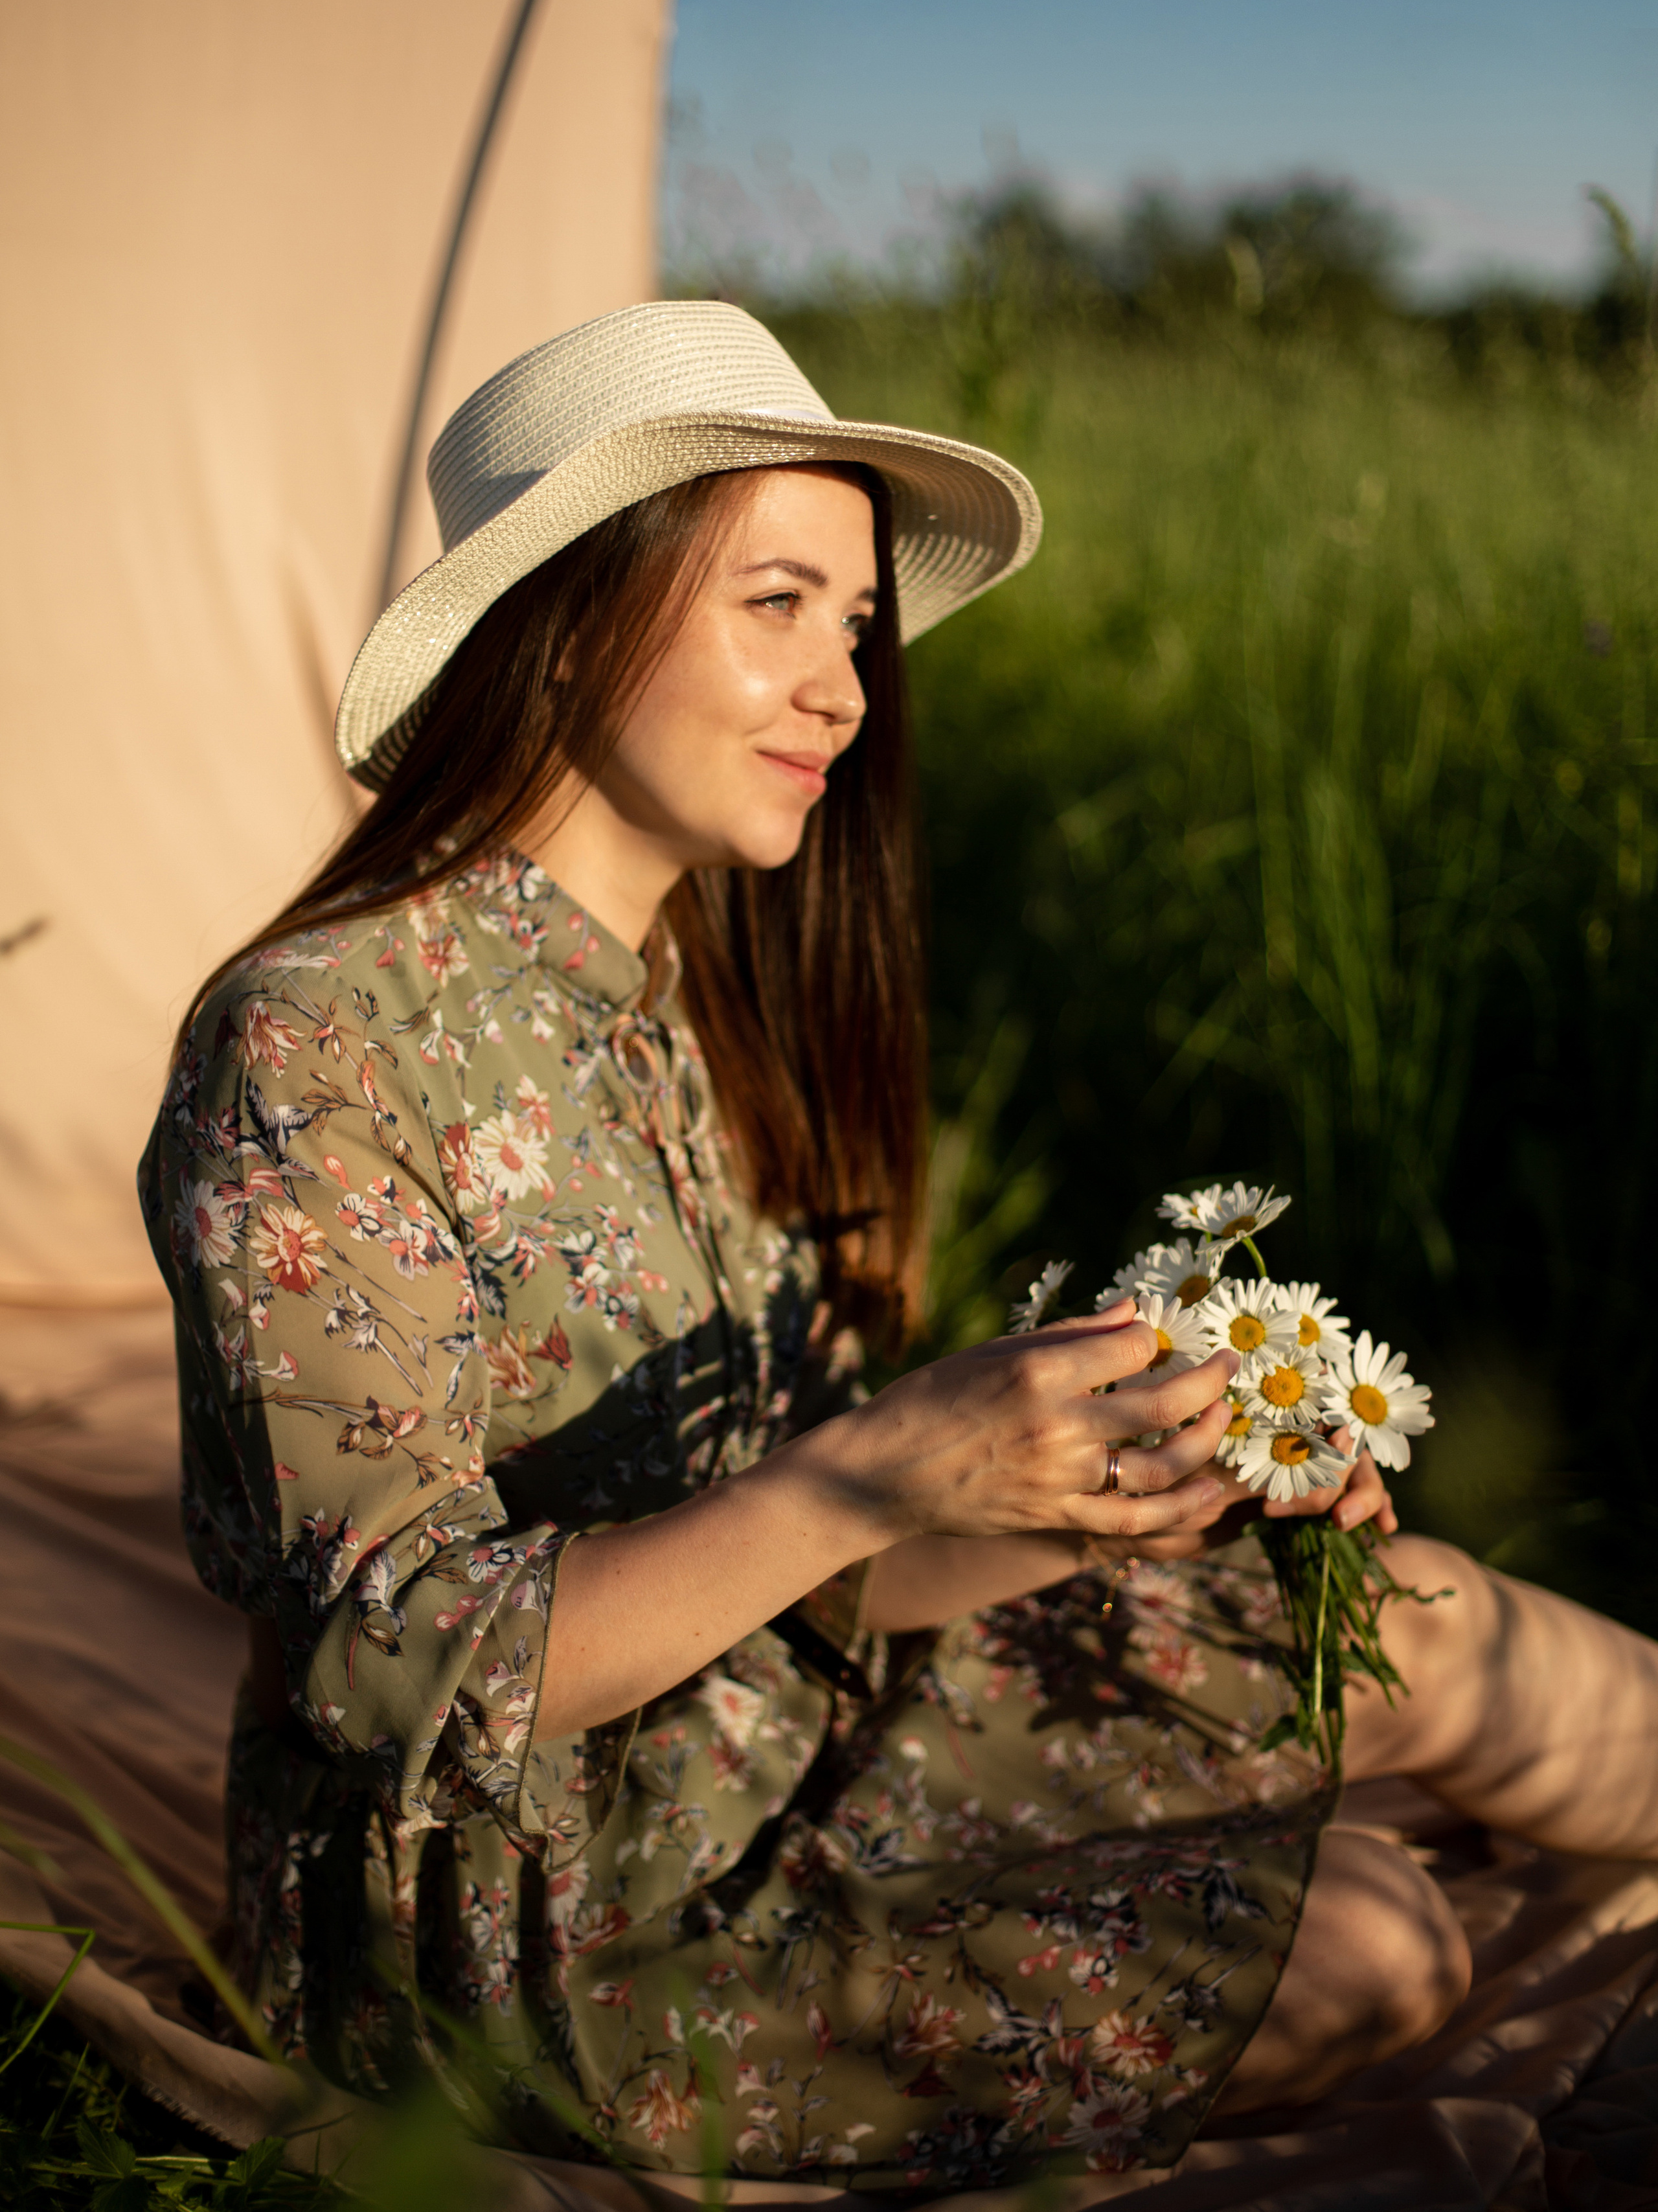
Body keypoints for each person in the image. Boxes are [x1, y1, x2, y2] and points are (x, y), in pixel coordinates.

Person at [141, 302, 1658, 2191]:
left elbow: (827, 1573)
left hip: (786, 1739)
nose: (849, 689)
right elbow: (390, 1662)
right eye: (777, 605)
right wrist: (870, 1474)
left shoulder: (684, 992)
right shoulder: (316, 1038)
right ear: (561, 615)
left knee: (1427, 1618)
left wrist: (1116, 1486)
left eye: (852, 625)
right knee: (1367, 1941)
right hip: (521, 1932)